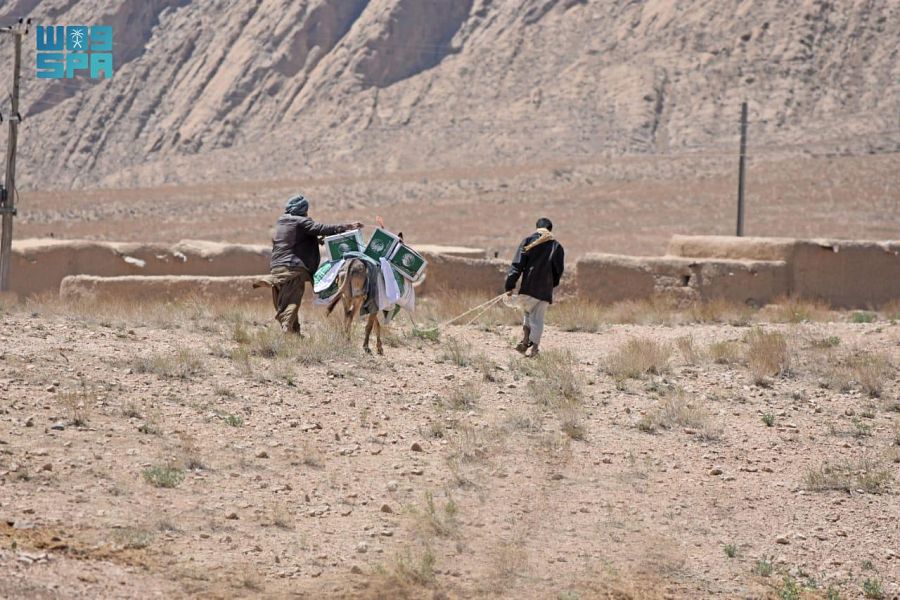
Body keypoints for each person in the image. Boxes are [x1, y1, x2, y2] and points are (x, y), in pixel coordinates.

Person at [267, 195, 363, 334]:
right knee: (292, 302)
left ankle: (295, 334)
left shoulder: (283, 221)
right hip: (293, 267)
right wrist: (347, 226)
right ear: (303, 210)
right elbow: (320, 228)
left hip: (276, 267)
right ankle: (287, 331)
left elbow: (296, 239)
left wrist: (315, 240)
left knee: (284, 301)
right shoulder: (301, 222)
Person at [504, 217, 565, 357]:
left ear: (537, 227)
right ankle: (534, 348)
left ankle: (526, 340)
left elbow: (517, 265)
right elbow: (558, 270)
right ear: (550, 229)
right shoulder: (557, 247)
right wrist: (552, 284)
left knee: (527, 312)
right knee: (538, 318)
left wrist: (510, 285)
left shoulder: (528, 241)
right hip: (545, 289)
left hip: (529, 286)